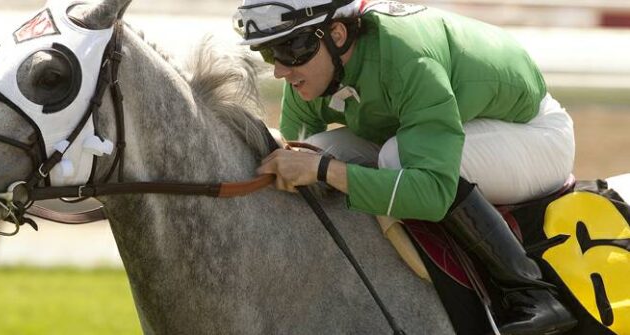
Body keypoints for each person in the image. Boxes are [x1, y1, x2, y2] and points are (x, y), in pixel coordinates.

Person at [234, 0, 578, 334]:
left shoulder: (405, 56)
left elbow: (432, 192)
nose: (280, 69)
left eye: (289, 49)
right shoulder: (313, 68)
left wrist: (325, 171)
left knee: (394, 157)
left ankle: (530, 290)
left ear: (336, 34)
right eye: (270, 53)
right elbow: (295, 155)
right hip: (452, 122)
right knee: (314, 150)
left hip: (535, 135)